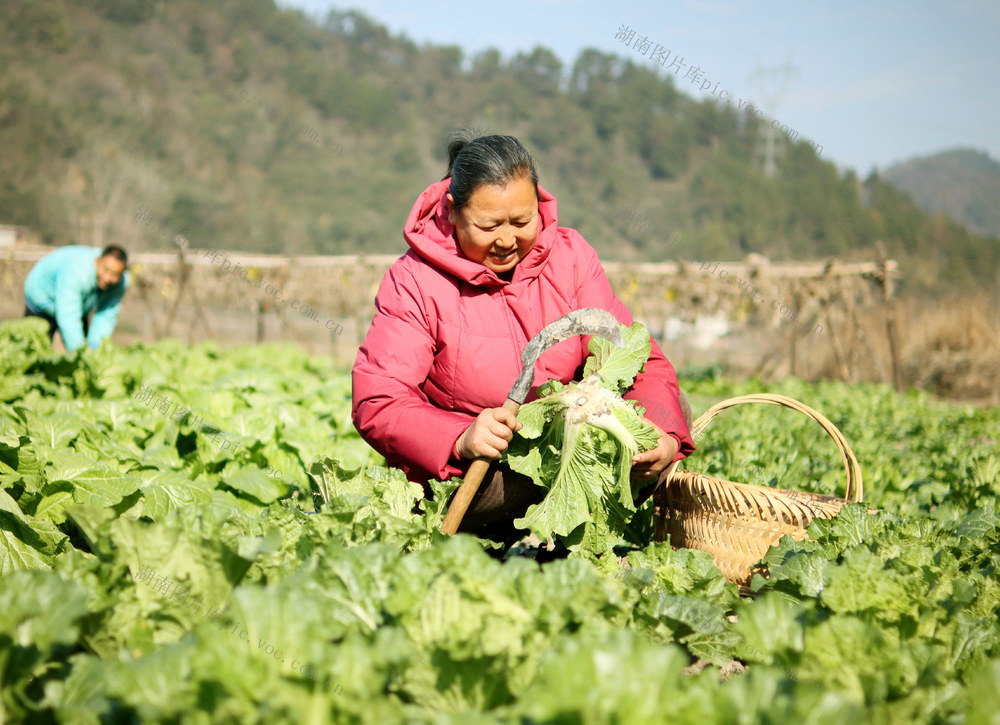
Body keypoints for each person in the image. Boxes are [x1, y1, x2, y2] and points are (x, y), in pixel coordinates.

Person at [352, 132, 694, 540]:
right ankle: (536, 540)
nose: (507, 240)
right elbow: (380, 400)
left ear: (538, 204)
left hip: (570, 450)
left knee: (671, 412)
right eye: (489, 225)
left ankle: (578, 538)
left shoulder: (570, 258)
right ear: (453, 211)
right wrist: (459, 439)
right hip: (476, 478)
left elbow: (640, 361)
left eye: (521, 221)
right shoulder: (415, 281)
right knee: (523, 477)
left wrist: (664, 438)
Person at [23, 244, 130, 352]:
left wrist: (95, 350)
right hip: (43, 300)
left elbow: (106, 316)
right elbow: (68, 317)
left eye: (115, 274)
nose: (108, 278)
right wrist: (79, 355)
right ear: (97, 262)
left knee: (86, 346)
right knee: (34, 351)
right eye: (106, 270)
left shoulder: (121, 283)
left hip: (78, 306)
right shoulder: (76, 272)